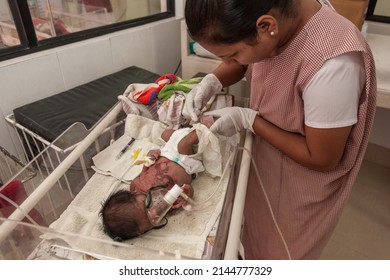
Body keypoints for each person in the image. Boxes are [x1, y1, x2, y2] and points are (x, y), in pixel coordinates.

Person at [183, 0, 377, 259]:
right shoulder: (278, 21)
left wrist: (248, 119)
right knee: (254, 232)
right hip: (265, 161)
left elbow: (322, 158)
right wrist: (213, 80)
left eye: (231, 54)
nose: (229, 62)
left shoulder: (332, 63)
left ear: (266, 26)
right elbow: (246, 61)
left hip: (301, 188)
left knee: (281, 254)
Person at [100, 127, 203, 241]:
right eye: (151, 221)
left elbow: (145, 171)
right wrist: (186, 193)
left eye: (146, 206)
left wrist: (150, 158)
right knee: (183, 144)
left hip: (167, 153)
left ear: (132, 195)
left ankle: (189, 127)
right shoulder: (165, 207)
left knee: (166, 133)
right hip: (186, 163)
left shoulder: (135, 185)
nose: (154, 213)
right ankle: (207, 127)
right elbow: (185, 195)